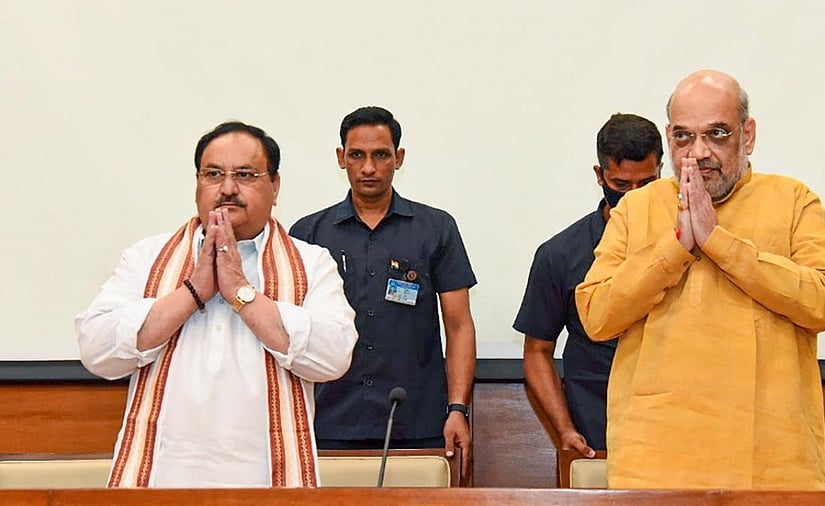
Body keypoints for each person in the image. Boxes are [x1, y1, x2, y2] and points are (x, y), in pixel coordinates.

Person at [575, 70, 825, 490]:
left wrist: (719, 242)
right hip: (655, 464)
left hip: (771, 465)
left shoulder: (793, 200)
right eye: (683, 137)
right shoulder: (637, 209)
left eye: (717, 134)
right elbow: (596, 314)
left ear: (748, 135)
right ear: (669, 137)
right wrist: (677, 247)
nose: (698, 152)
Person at [75, 121, 358, 488]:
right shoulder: (147, 257)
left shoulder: (311, 263)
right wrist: (192, 292)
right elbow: (97, 351)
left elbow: (333, 356)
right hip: (163, 480)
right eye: (213, 174)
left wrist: (242, 293)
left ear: (275, 186)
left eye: (245, 175)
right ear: (197, 184)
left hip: (268, 483)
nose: (227, 189)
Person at [289, 106, 477, 475]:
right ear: (341, 158)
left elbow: (458, 326)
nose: (369, 167)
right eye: (357, 155)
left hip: (417, 420)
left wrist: (457, 409)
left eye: (381, 155)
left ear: (399, 158)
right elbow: (290, 330)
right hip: (328, 420)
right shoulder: (309, 234)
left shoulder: (435, 228)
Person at [514, 113, 662, 457]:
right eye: (622, 186)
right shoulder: (560, 254)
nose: (634, 198)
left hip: (676, 428)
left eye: (647, 184)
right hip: (596, 430)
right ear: (600, 176)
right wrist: (564, 428)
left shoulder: (689, 242)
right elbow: (537, 352)